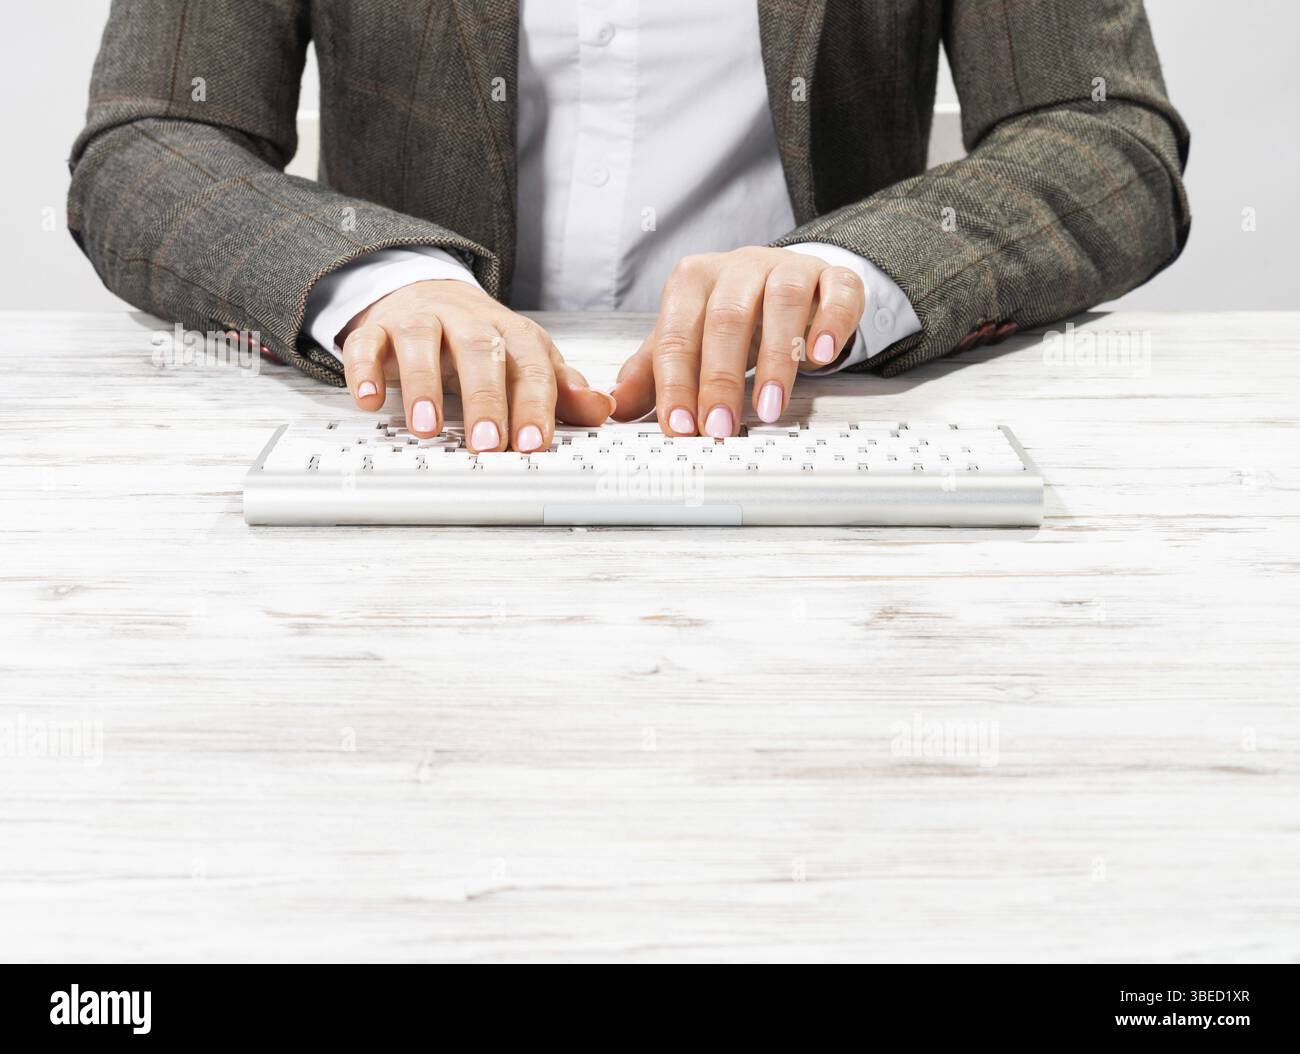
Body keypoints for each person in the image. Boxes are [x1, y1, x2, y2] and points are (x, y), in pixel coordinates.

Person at [69, 0, 1189, 452]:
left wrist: (855, 268)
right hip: (424, 447)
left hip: (816, 434)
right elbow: (153, 139)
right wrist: (378, 284)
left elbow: (1102, 135)